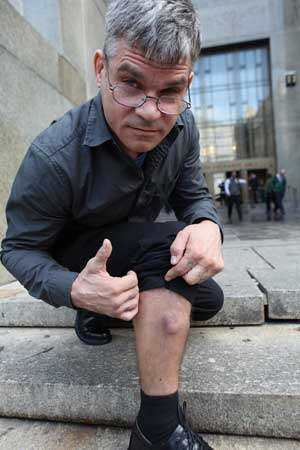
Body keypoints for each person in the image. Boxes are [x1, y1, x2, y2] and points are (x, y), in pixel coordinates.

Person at [0, 1, 225, 449]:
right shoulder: (54, 154)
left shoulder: (183, 124)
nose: (149, 111)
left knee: (209, 296)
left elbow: (194, 195)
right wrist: (75, 290)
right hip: (76, 255)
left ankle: (108, 304)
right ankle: (157, 431)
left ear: (188, 85)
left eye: (170, 92)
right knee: (165, 253)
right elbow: (17, 249)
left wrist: (206, 225)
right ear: (101, 68)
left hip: (132, 244)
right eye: (131, 83)